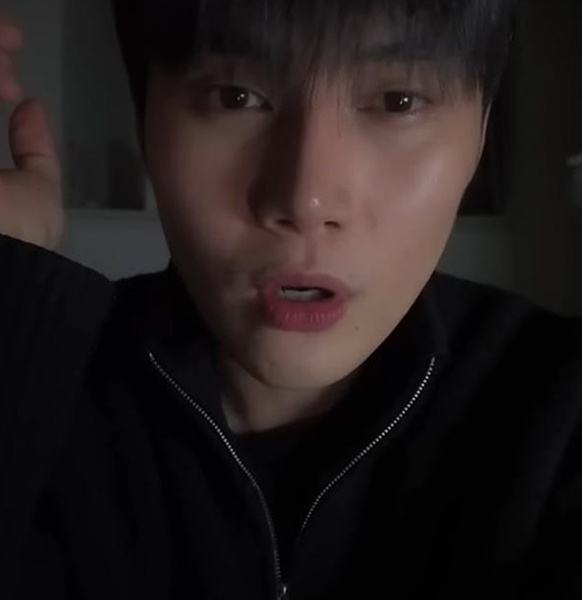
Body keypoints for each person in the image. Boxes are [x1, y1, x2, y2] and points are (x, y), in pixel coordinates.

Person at [0, 1, 581, 598]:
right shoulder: (42, 386)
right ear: (145, 120)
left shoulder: (561, 413)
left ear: (480, 135)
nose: (306, 200)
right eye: (234, 97)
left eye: (398, 101)